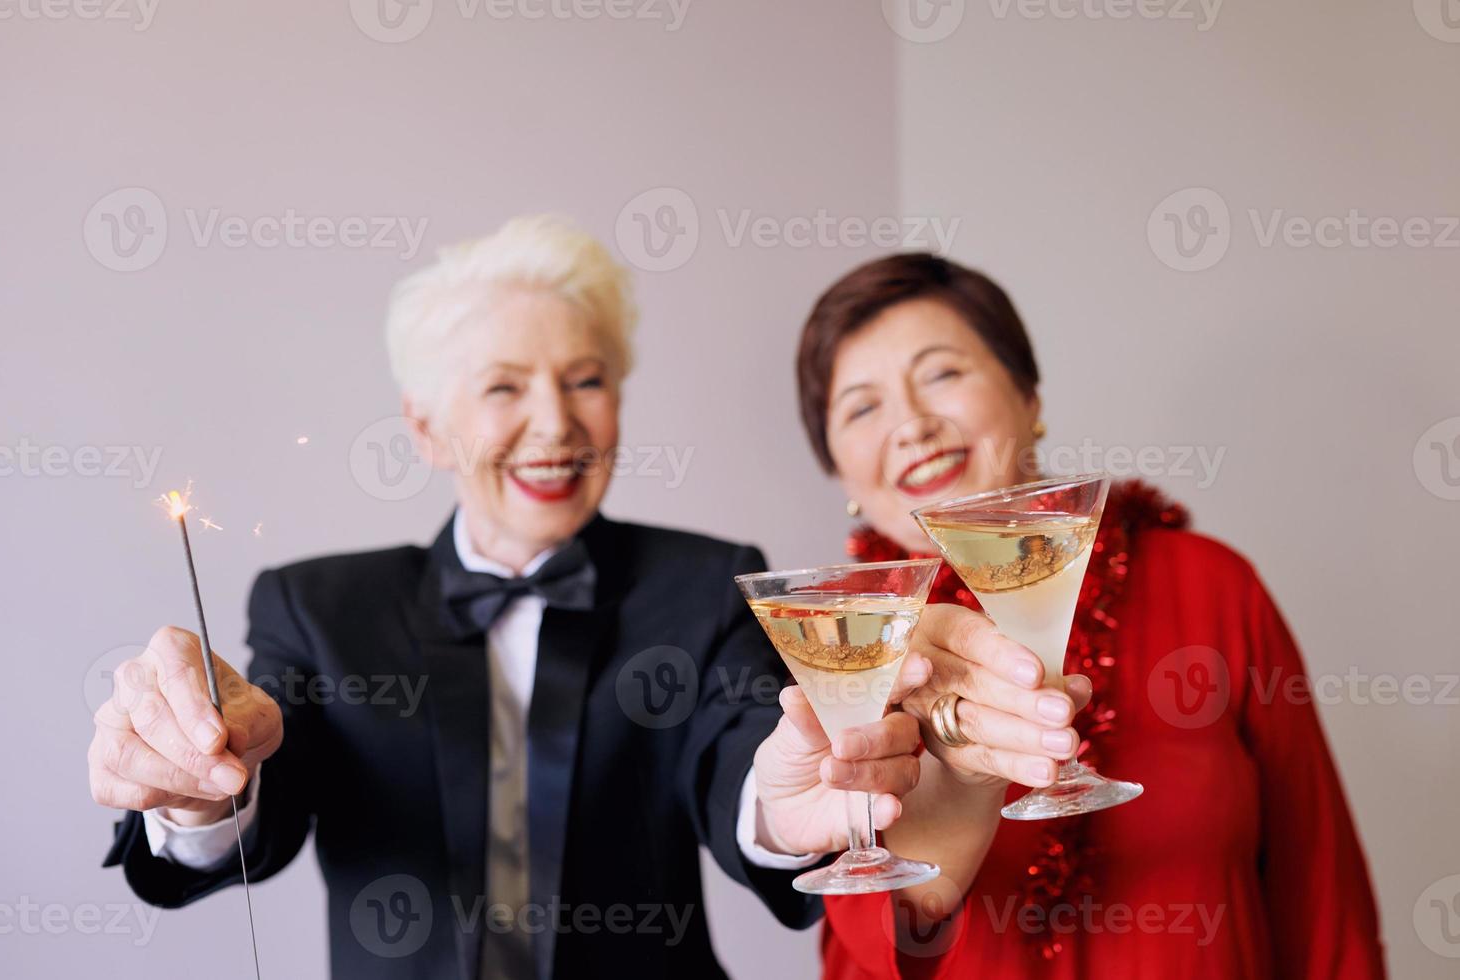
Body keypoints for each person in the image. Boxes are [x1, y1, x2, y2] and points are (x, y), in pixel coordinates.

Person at [88, 216, 929, 979]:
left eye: (585, 381)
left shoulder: (704, 582)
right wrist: (204, 782)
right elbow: (263, 801)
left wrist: (786, 806)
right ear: (424, 429)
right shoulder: (317, 604)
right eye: (502, 388)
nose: (555, 423)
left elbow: (742, 761)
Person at [793, 253, 1386, 978]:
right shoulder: (841, 646)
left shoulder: (1210, 584)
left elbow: (1320, 892)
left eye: (941, 373)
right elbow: (866, 949)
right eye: (861, 407)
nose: (911, 425)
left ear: (1028, 397)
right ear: (839, 471)